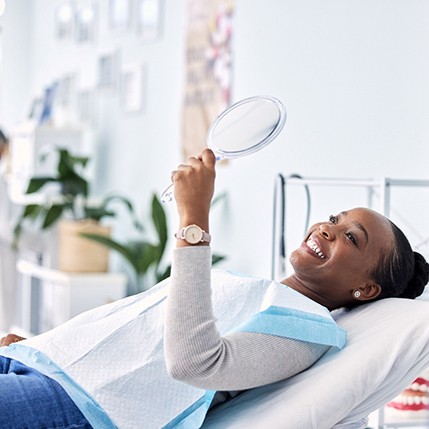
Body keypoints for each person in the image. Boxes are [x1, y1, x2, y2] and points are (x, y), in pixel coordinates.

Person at [0, 148, 428, 429]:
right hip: (43, 364)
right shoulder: (257, 287)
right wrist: (47, 345)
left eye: (352, 237)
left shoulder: (310, 330)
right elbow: (140, 326)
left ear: (367, 289)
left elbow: (194, 364)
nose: (328, 229)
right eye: (335, 218)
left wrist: (194, 220)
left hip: (81, 406)